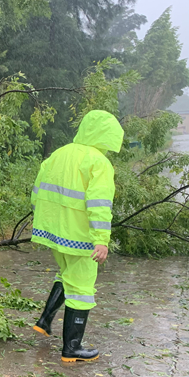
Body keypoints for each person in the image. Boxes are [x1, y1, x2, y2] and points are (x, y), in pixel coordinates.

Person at [30, 109, 124, 362]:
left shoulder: (60, 153)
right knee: (82, 289)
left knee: (67, 276)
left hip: (53, 232)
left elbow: (37, 191)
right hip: (79, 237)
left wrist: (44, 221)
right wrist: (101, 240)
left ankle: (45, 321)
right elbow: (99, 204)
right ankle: (72, 348)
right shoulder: (99, 163)